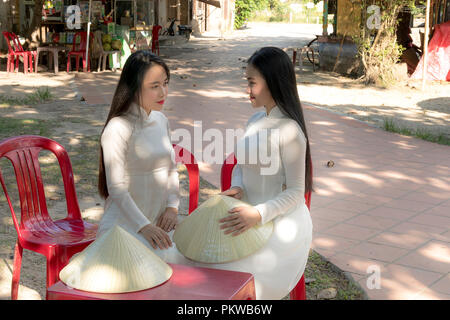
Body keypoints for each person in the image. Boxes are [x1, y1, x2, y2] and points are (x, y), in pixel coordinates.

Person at [188, 47, 314, 300]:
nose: (247, 90)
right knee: (195, 261)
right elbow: (239, 167)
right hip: (247, 217)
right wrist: (238, 186)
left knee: (224, 278)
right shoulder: (255, 120)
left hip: (279, 225)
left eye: (251, 83)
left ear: (273, 83)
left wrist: (259, 213)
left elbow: (296, 193)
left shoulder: (290, 131)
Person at [97, 50, 179, 259]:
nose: (163, 92)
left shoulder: (161, 120)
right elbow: (116, 189)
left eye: (165, 83)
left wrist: (172, 207)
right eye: (154, 86)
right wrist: (144, 226)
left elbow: (171, 169)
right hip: (126, 228)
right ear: (134, 88)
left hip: (159, 225)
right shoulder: (118, 128)